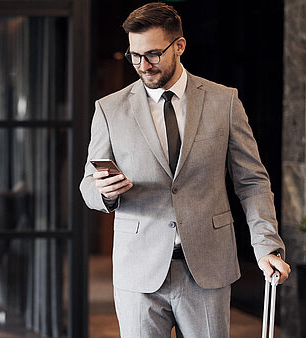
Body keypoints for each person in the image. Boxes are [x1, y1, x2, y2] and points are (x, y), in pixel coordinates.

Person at [79, 3, 291, 337]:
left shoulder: (224, 102)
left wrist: (266, 245)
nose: (143, 65)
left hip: (207, 268)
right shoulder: (109, 109)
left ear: (179, 46)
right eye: (135, 56)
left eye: (153, 54)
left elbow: (252, 181)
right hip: (138, 271)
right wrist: (103, 192)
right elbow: (87, 187)